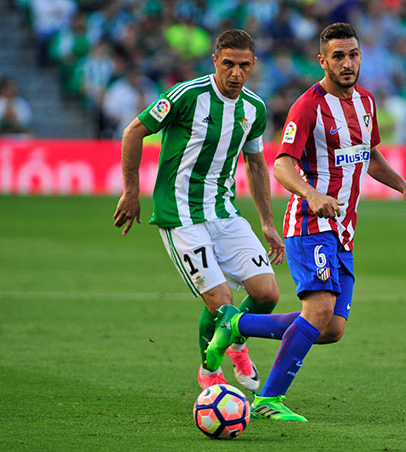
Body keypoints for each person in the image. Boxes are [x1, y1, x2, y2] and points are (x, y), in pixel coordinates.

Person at [205, 22, 406, 422]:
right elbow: (281, 165)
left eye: (353, 55)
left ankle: (238, 323)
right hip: (309, 224)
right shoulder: (308, 105)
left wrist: (404, 187)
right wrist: (311, 194)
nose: (347, 63)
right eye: (338, 56)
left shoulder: (367, 102)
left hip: (344, 231)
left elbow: (370, 155)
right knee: (319, 310)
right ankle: (269, 399)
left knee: (331, 328)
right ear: (322, 60)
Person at [112, 29, 285, 392]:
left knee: (268, 294)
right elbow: (133, 132)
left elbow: (256, 165)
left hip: (223, 211)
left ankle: (237, 344)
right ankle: (209, 371)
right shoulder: (187, 95)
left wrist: (268, 223)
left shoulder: (254, 109)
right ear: (215, 61)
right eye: (228, 64)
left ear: (254, 65)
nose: (235, 73)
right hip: (180, 215)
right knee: (221, 303)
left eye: (244, 65)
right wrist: (131, 191)